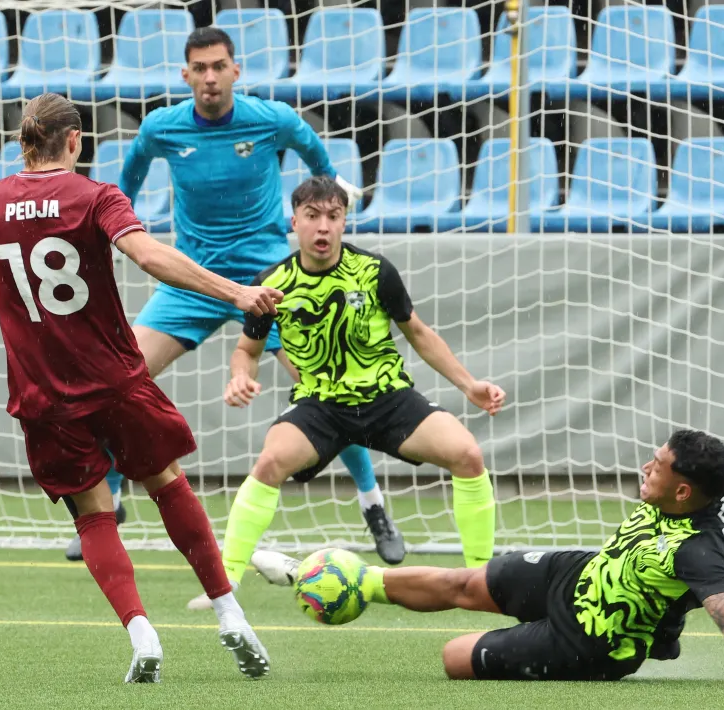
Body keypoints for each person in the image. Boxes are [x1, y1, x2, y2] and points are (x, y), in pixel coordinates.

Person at [253, 353, 724, 689]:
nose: (649, 464)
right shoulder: (721, 468)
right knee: (463, 584)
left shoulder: (698, 551)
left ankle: (653, 632)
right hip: (581, 573)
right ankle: (355, 582)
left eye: (660, 465)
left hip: (590, 641)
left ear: (684, 491)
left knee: (453, 660)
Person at [0, 93, 280, 683]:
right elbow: (149, 256)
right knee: (167, 486)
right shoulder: (95, 195)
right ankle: (230, 615)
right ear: (75, 142)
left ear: (23, 143)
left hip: (42, 395)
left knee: (94, 516)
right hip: (115, 379)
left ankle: (141, 632)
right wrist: (236, 293)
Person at [63, 26, 405, 570]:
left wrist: (325, 216)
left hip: (268, 282)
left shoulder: (271, 119)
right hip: (191, 282)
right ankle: (111, 500)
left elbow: (318, 164)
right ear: (185, 75)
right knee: (117, 380)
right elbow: (120, 191)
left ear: (235, 70)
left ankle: (374, 507)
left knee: (329, 388)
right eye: (199, 68)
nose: (210, 77)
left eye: (219, 66)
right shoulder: (160, 128)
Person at [187, 175, 505, 610]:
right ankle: (225, 582)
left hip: (386, 398)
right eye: (313, 217)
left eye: (333, 217)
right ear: (294, 222)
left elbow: (418, 333)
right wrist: (239, 375)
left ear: (344, 222)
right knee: (270, 461)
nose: (323, 227)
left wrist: (470, 385)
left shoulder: (375, 271)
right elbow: (247, 349)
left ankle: (480, 578)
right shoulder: (271, 283)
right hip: (321, 404)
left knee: (467, 454)